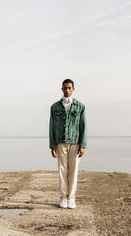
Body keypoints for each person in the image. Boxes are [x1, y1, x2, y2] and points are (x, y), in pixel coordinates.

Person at [49, 78, 87, 209]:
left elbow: (83, 126)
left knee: (73, 171)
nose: (67, 90)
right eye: (65, 88)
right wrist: (52, 144)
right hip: (60, 143)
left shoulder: (80, 106)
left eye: (69, 88)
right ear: (62, 89)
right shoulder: (54, 107)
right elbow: (51, 126)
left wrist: (83, 145)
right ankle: (63, 198)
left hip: (75, 142)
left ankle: (71, 198)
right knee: (62, 171)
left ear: (73, 89)